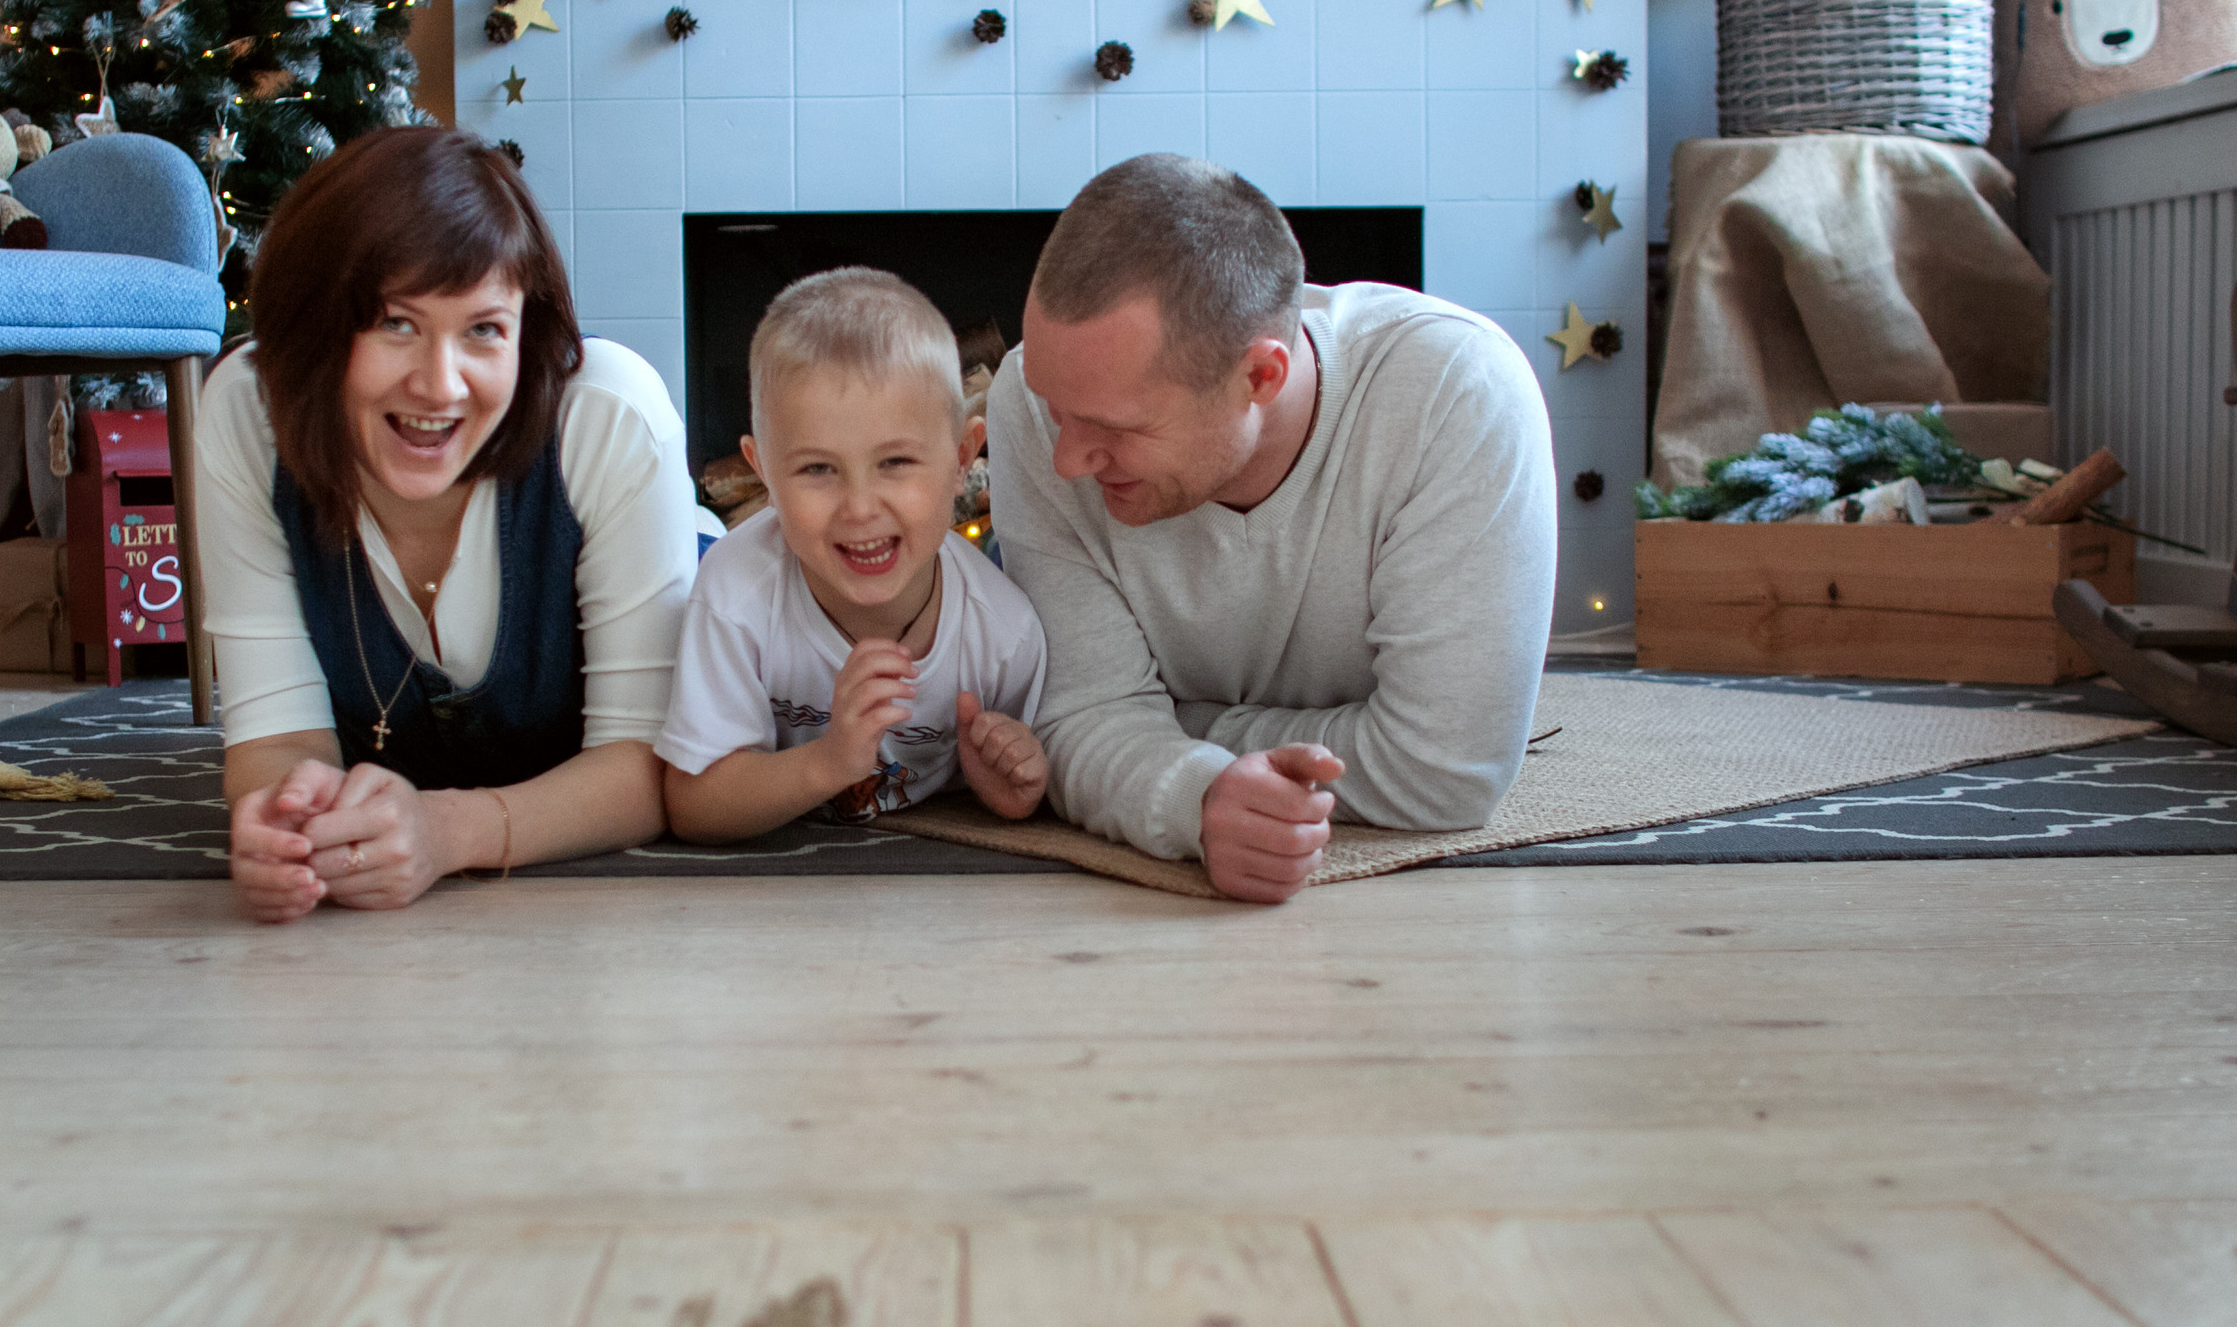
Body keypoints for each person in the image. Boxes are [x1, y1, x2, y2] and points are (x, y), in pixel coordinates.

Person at [988, 154, 1555, 904]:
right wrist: (1200, 799)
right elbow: (1073, 722)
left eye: (1111, 426)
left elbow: (1445, 773)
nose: (1066, 459)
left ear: (1261, 377)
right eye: (1057, 408)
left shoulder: (1455, 393)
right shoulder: (1031, 404)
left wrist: (1172, 731)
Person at [198, 127, 705, 921]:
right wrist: (291, 822)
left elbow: (652, 767)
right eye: (395, 323)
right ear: (314, 328)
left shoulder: (610, 413)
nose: (440, 386)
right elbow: (274, 737)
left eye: (484, 330)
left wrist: (445, 831)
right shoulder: (247, 411)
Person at [657, 268, 1049, 841]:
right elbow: (694, 805)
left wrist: (1005, 786)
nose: (860, 508)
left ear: (963, 456)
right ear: (762, 469)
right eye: (818, 469)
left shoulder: (1005, 635)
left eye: (895, 463)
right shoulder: (735, 595)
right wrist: (828, 762)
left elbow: (1028, 780)